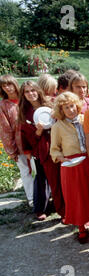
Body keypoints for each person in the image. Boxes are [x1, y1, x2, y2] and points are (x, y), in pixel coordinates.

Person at [50, 92, 89, 244]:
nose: (70, 110)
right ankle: (81, 228)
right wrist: (62, 158)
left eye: (72, 106)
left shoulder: (84, 119)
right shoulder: (58, 127)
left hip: (88, 161)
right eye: (66, 107)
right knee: (77, 196)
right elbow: (54, 149)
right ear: (61, 110)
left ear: (77, 105)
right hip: (71, 165)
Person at [16, 81, 65, 221]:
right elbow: (29, 141)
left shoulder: (50, 106)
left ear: (38, 91)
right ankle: (63, 212)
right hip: (43, 151)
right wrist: (38, 132)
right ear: (23, 95)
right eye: (27, 91)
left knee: (64, 180)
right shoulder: (24, 115)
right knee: (53, 182)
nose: (31, 94)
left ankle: (69, 207)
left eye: (33, 90)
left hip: (60, 145)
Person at [0, 75, 34, 205]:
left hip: (34, 139)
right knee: (26, 171)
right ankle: (32, 198)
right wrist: (11, 150)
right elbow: (5, 129)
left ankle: (44, 196)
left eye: (9, 84)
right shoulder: (4, 105)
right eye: (4, 86)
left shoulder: (26, 98)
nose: (8, 88)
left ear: (15, 84)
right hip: (19, 143)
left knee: (39, 169)